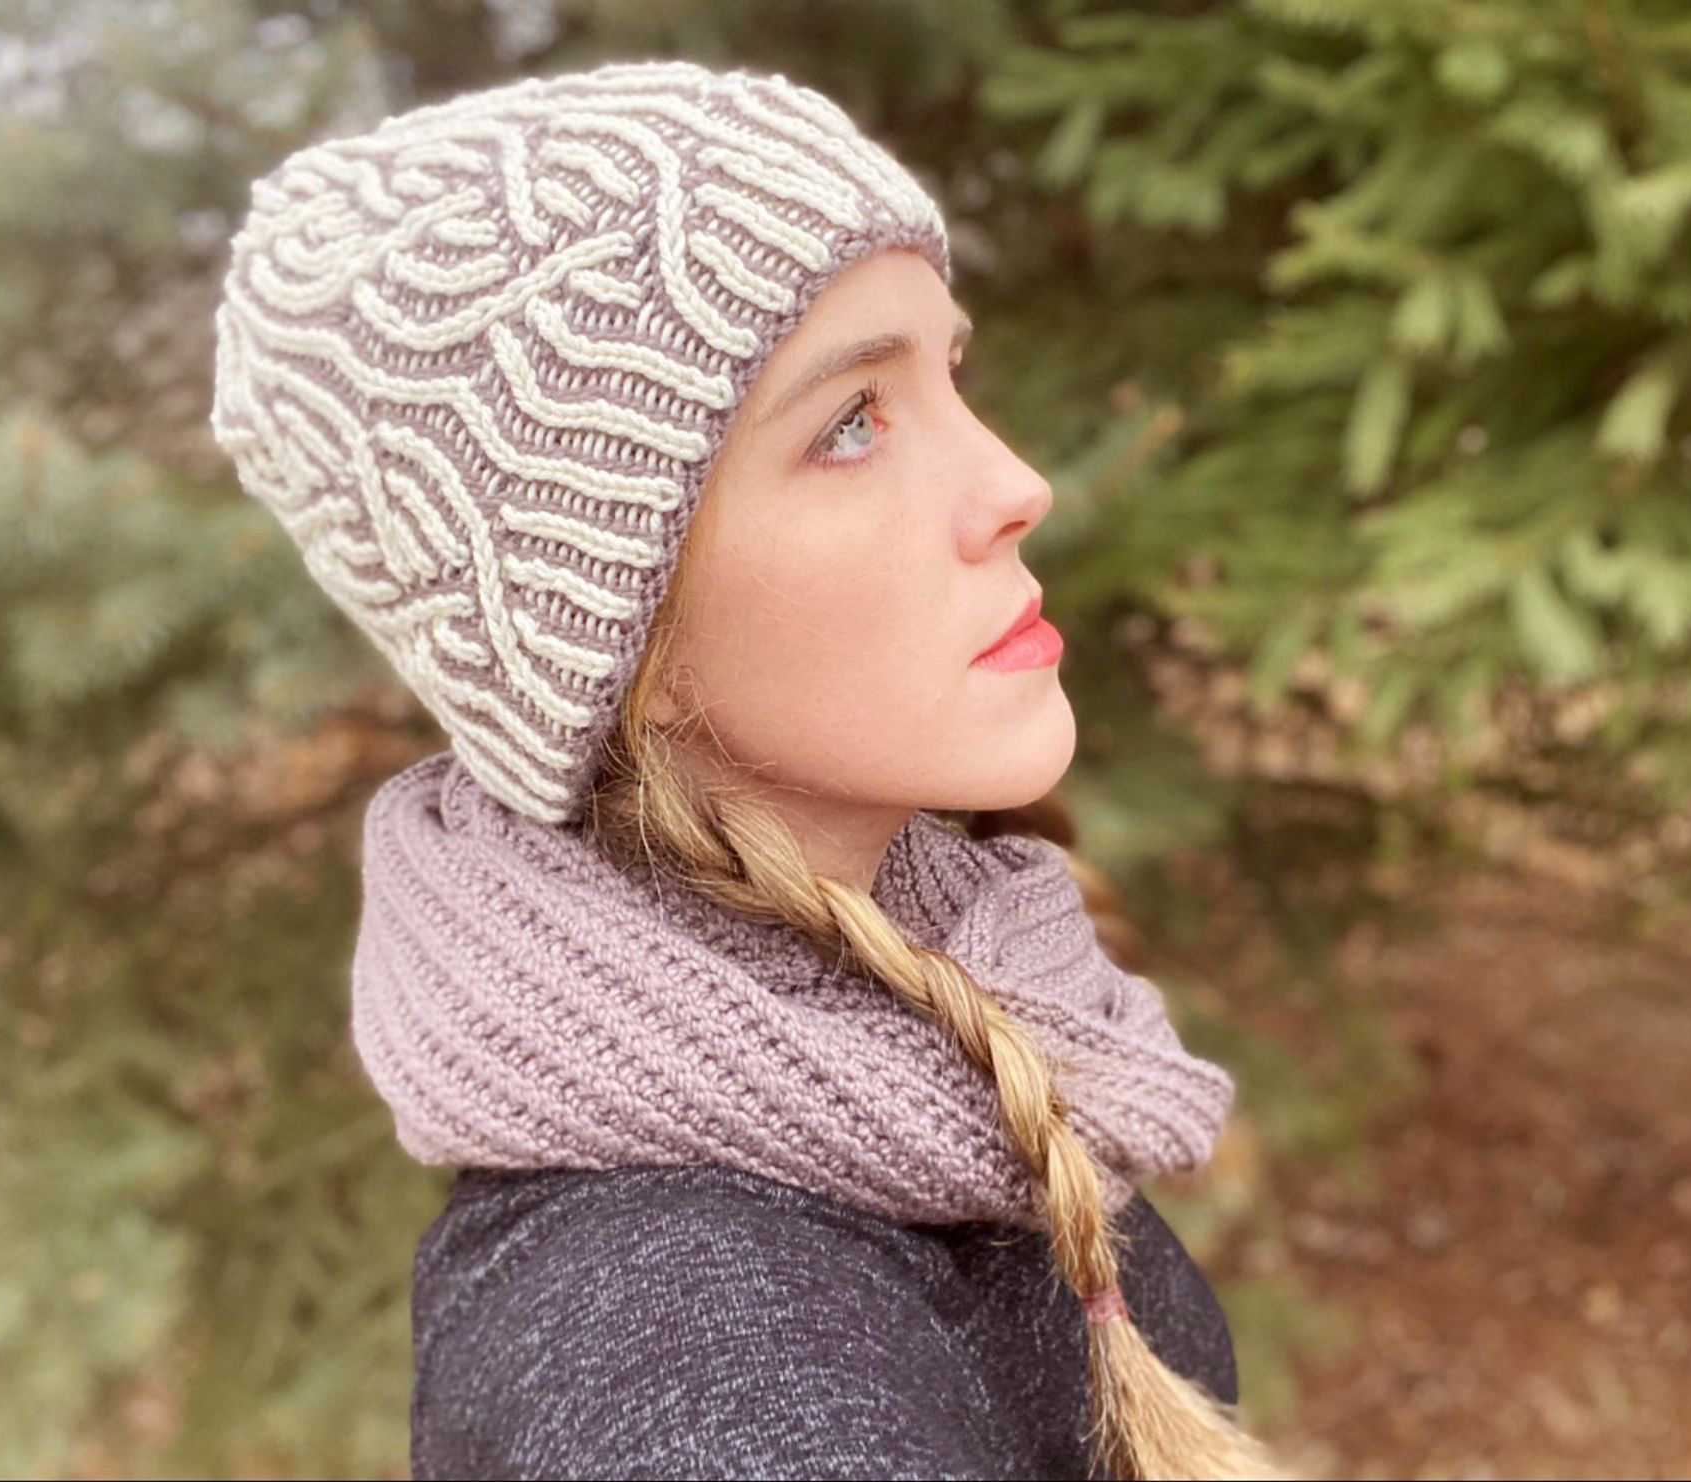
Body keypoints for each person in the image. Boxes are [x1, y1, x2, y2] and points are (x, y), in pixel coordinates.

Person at [210, 56, 1282, 1482]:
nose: (1017, 483)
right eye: (850, 423)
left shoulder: (926, 989)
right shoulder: (700, 1367)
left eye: (947, 374)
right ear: (603, 618)